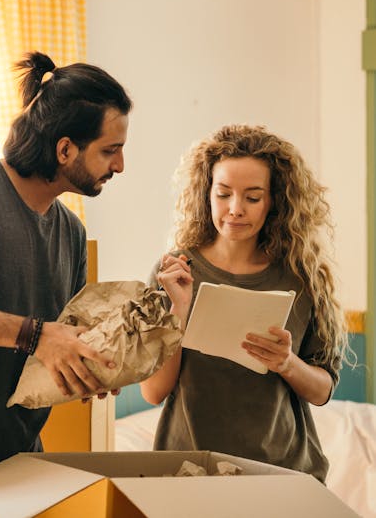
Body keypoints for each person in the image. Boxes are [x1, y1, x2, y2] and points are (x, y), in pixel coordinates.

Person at [0, 51, 189, 517]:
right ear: (65, 150)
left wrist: (90, 368)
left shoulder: (71, 233)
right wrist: (38, 335)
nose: (120, 165)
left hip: (17, 466)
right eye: (109, 149)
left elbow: (52, 348)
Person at [140, 124, 352, 483]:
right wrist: (179, 310)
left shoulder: (301, 278)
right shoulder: (174, 273)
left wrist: (287, 364)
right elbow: (153, 391)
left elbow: (322, 390)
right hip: (190, 472)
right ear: (206, 193)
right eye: (223, 194)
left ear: (274, 202)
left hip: (283, 474)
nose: (235, 209)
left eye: (252, 198)